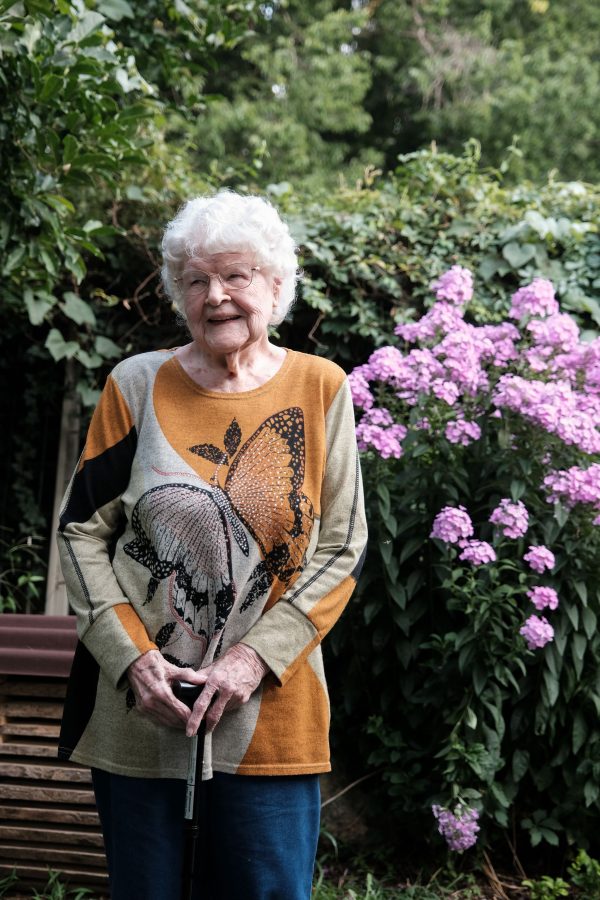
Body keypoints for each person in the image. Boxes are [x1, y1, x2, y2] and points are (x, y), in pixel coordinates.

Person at [57, 189, 368, 900]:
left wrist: (251, 660)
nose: (217, 296)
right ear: (178, 293)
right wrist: (133, 659)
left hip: (271, 720)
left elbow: (343, 546)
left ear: (277, 286)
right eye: (196, 280)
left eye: (237, 277)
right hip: (144, 713)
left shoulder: (320, 390)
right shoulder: (134, 386)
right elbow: (81, 532)